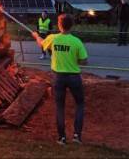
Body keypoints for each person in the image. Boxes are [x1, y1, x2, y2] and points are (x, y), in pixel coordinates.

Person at [31, 14, 88, 145]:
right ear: (72, 25)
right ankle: (77, 136)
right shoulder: (76, 41)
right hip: (74, 77)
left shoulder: (53, 38)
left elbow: (41, 43)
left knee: (60, 107)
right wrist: (74, 60)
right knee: (80, 104)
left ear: (59, 25)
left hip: (58, 77)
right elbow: (84, 61)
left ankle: (62, 138)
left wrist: (36, 36)